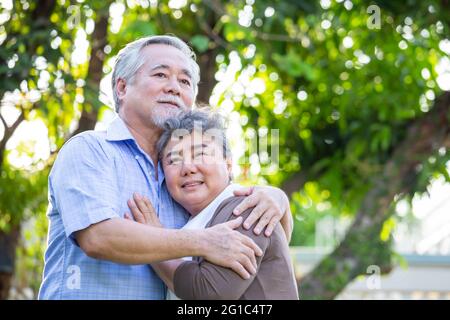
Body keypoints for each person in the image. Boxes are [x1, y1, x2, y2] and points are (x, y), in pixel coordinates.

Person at [38, 35, 293, 299]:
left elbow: (265, 249)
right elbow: (98, 237)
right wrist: (205, 241)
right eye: (161, 75)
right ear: (122, 87)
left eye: (185, 81)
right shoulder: (90, 150)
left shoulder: (186, 185)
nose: (174, 88)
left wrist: (280, 201)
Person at [126, 109, 299, 299]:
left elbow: (209, 293)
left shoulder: (248, 207)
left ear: (228, 164)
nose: (188, 168)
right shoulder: (196, 220)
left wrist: (153, 242)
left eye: (201, 154)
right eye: (174, 159)